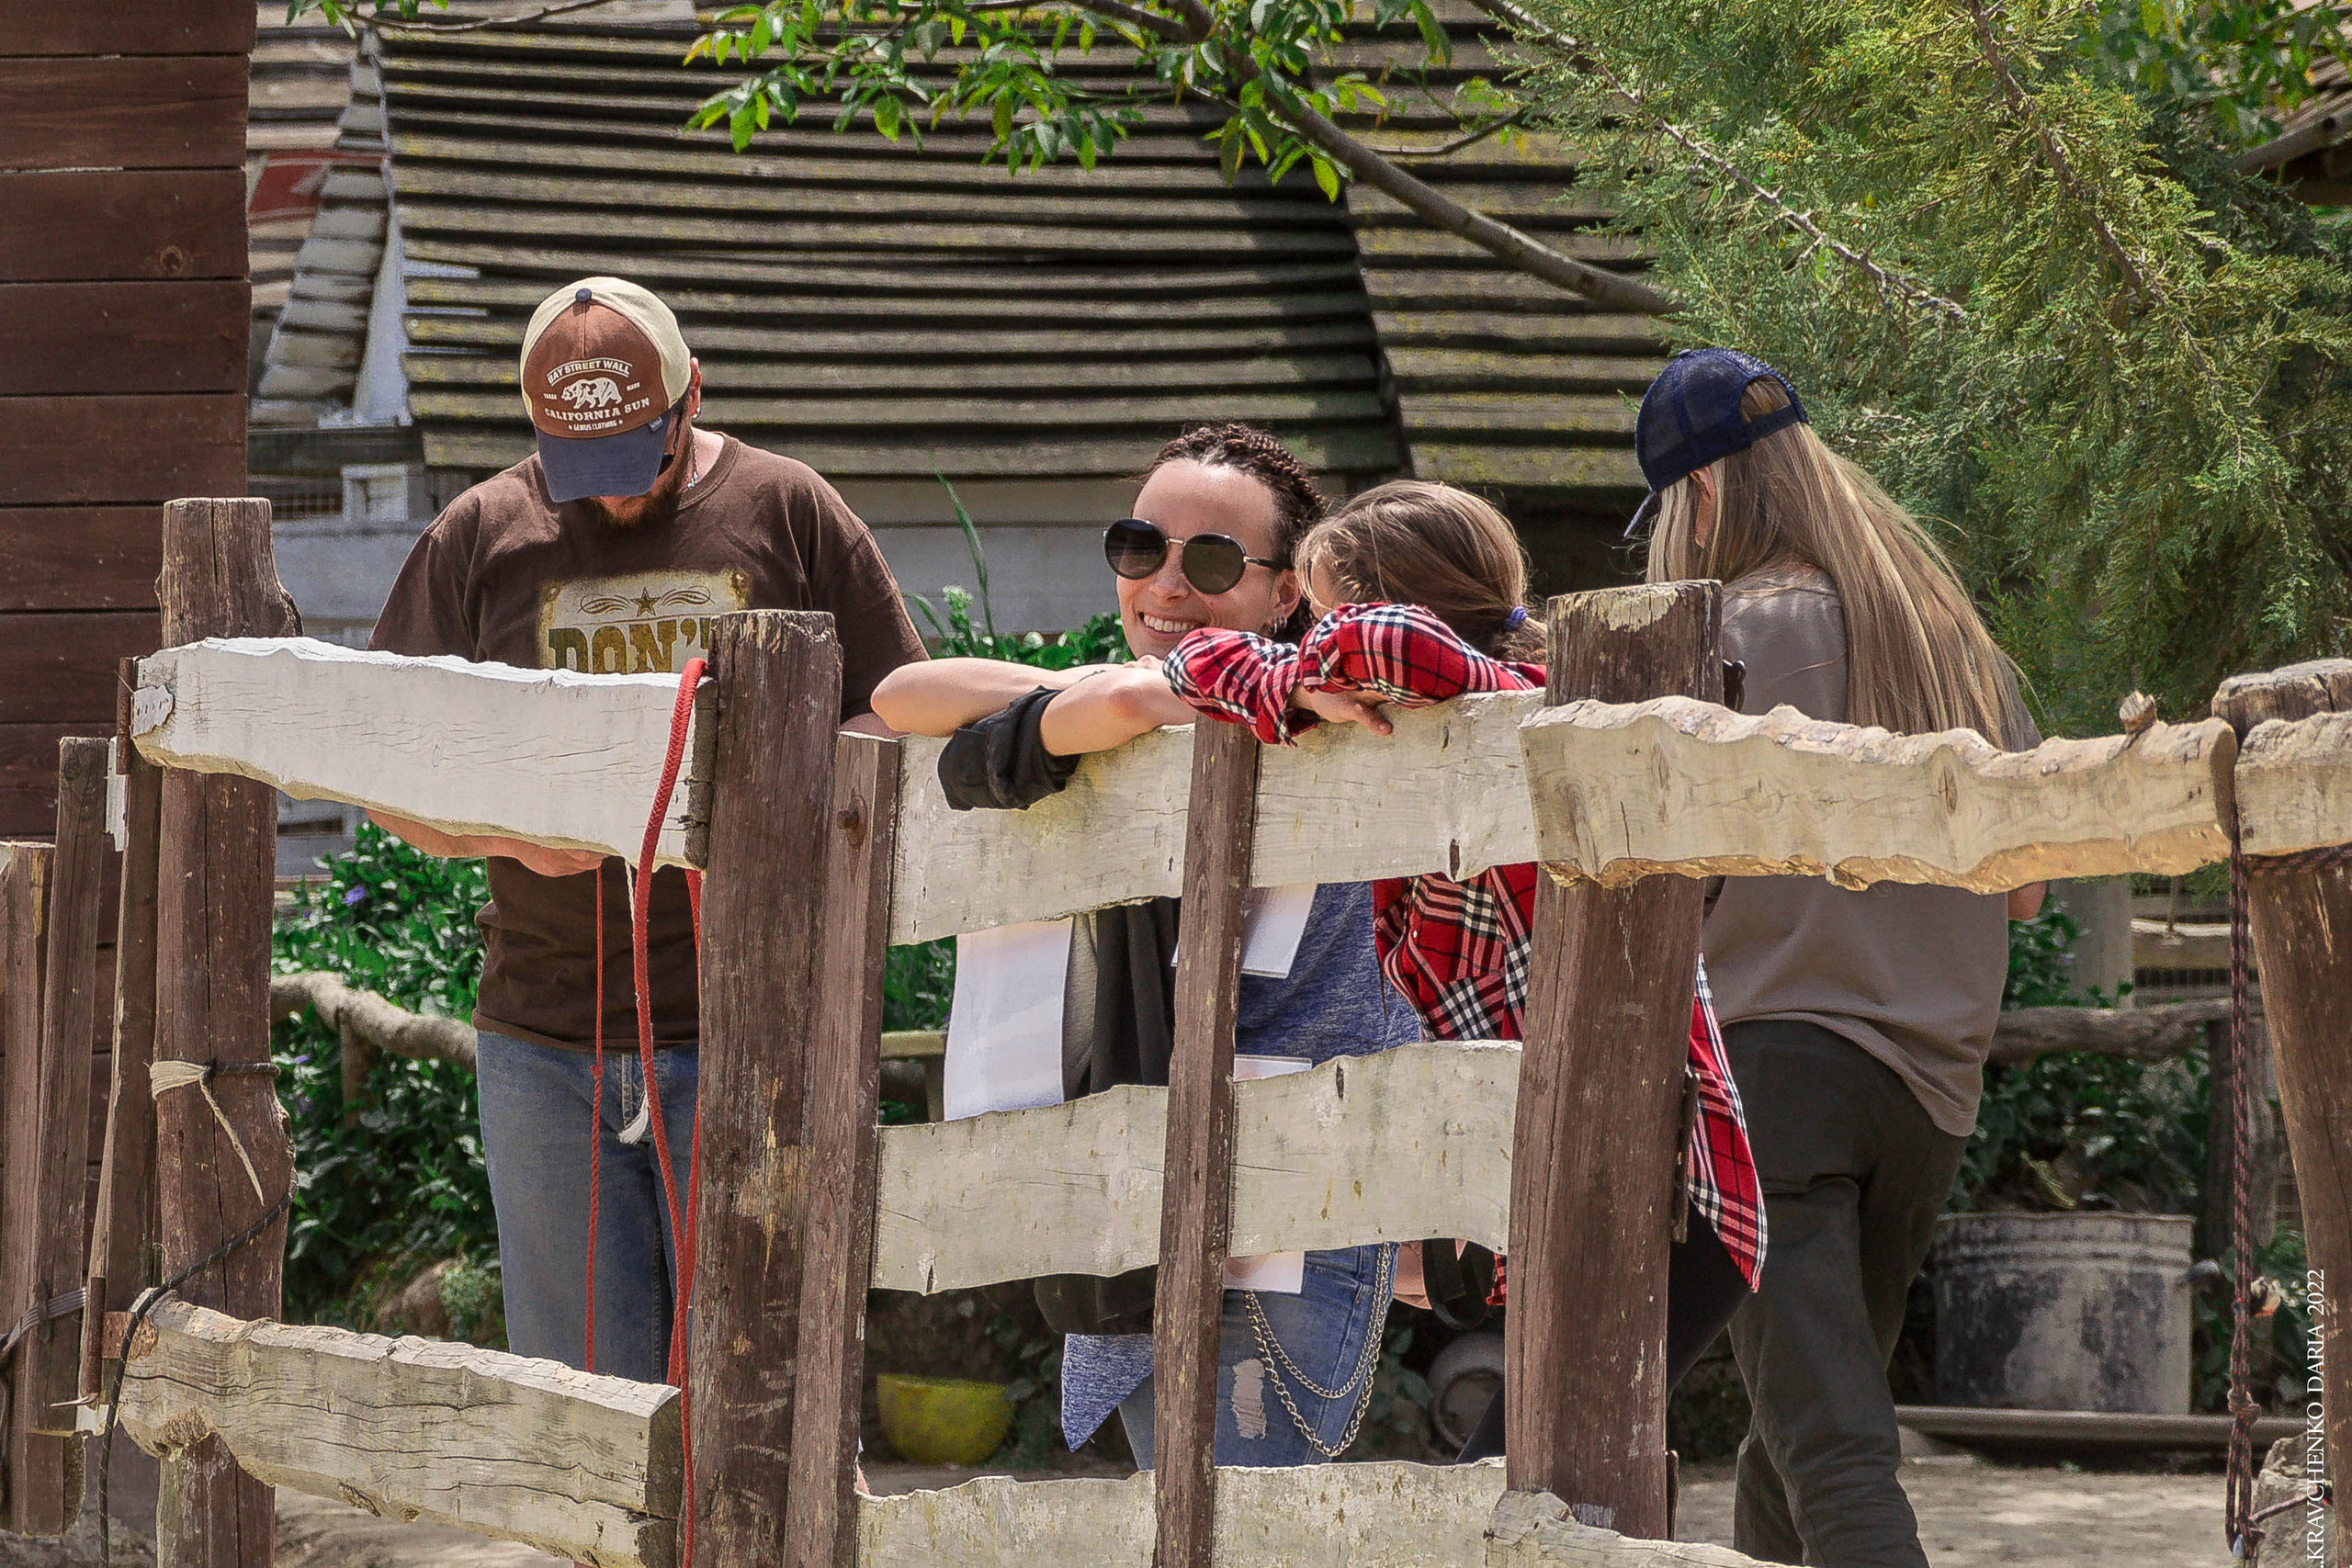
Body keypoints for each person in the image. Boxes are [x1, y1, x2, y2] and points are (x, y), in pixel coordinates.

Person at [366, 276, 926, 1384]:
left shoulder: (788, 509)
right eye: (588, 474)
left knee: (757, 1382)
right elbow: (386, 770)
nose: (616, 502)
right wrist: (513, 839)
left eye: (642, 463)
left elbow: (894, 711)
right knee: (584, 1398)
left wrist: (777, 805)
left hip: (751, 1026)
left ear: (690, 400)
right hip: (544, 1035)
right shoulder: (481, 532)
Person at [1157, 478, 1765, 1461]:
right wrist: (1289, 690)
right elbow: (1197, 659)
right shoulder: (1443, 732)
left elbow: (1386, 646)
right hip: (1574, 1180)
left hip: (1660, 1191)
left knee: (1522, 1480)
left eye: (1322, 608)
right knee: (1556, 1480)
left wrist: (1309, 670)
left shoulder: (1520, 708)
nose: (1318, 639)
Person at [870, 423, 1419, 1467]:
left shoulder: (1332, 704)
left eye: (1211, 561)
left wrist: (1151, 697)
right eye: (1138, 548)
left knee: (1245, 1523)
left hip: (1282, 1205)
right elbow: (904, 697)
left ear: (1285, 593)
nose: (1165, 583)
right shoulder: (1127, 711)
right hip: (1135, 1190)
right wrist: (1146, 695)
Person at [1634, 348, 2044, 1568]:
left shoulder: (1710, 638)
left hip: (1772, 1074)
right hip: (1928, 1090)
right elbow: (2025, 886)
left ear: (1700, 495)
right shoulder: (1948, 638)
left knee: (1835, 1455)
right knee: (1794, 1435)